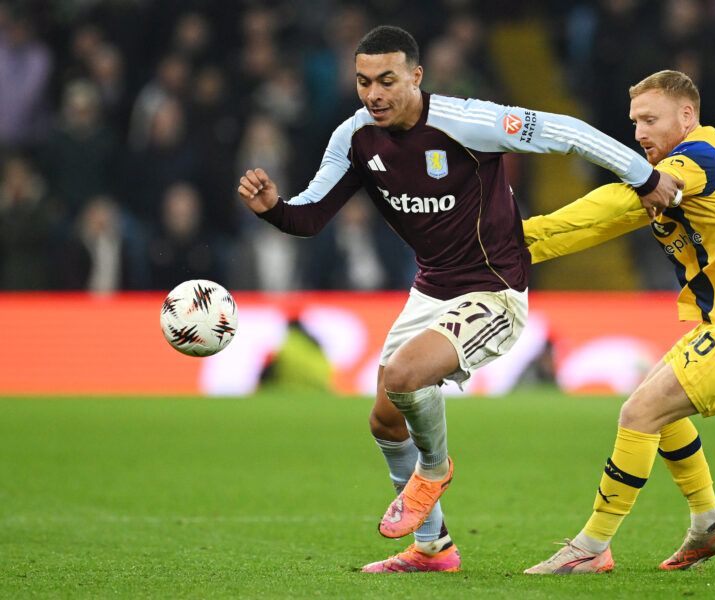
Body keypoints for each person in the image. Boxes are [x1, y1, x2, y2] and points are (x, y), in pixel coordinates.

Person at [236, 26, 682, 573]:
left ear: (416, 77)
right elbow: (310, 216)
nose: (373, 94)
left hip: (494, 289)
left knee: (405, 377)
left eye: (387, 81)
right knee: (385, 420)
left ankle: (434, 469)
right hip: (430, 288)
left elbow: (565, 130)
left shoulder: (467, 121)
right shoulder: (354, 137)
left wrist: (644, 176)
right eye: (363, 82)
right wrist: (274, 208)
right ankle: (433, 548)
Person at [521, 70, 715, 574]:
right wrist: (522, 248)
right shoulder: (673, 173)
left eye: (650, 120)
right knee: (659, 410)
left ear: (687, 115)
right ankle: (709, 524)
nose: (639, 133)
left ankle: (592, 547)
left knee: (639, 413)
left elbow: (616, 201)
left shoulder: (702, 157)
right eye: (635, 122)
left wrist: (526, 233)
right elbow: (611, 221)